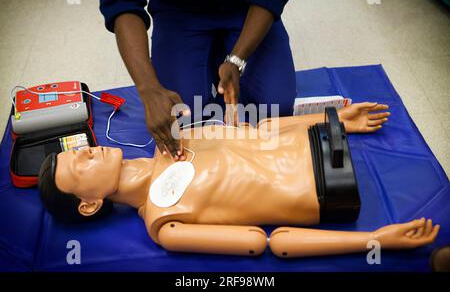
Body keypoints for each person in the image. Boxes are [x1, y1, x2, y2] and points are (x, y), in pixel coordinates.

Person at [38, 102, 440, 257]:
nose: (89, 150)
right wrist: (375, 240)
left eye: (80, 149)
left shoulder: (171, 139)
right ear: (89, 203)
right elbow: (270, 243)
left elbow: (260, 130)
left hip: (319, 138)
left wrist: (332, 120)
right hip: (326, 187)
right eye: (81, 165)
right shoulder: (163, 222)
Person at [99, 0, 296, 161]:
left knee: (276, 106)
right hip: (179, 10)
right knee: (181, 118)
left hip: (248, 5)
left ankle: (222, 53)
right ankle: (210, 59)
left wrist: (237, 60)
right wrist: (148, 88)